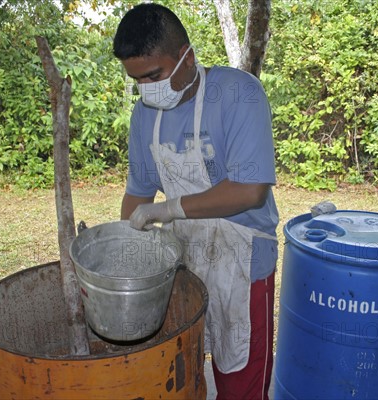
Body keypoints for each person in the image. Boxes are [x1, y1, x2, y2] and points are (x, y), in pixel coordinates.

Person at [113, 4, 279, 399]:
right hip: (183, 262)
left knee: (238, 375)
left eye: (154, 75)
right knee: (182, 375)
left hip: (242, 260)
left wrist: (167, 209)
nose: (147, 88)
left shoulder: (238, 94)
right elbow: (138, 193)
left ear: (187, 56)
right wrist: (124, 251)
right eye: (137, 80)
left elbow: (249, 190)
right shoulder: (145, 115)